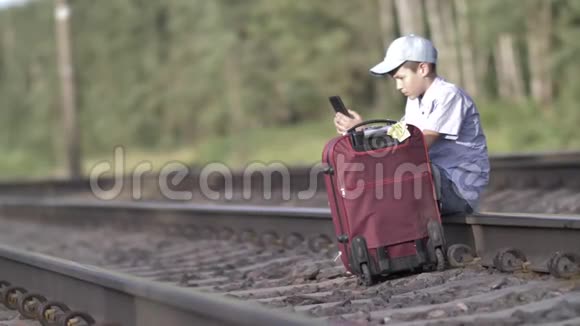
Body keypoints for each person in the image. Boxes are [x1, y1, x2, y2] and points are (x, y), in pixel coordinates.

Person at [333, 34, 489, 215]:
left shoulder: (449, 95)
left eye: (401, 78)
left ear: (423, 69)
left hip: (458, 189)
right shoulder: (415, 100)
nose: (398, 86)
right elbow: (398, 135)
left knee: (392, 172)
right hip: (435, 181)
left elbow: (419, 144)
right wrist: (362, 130)